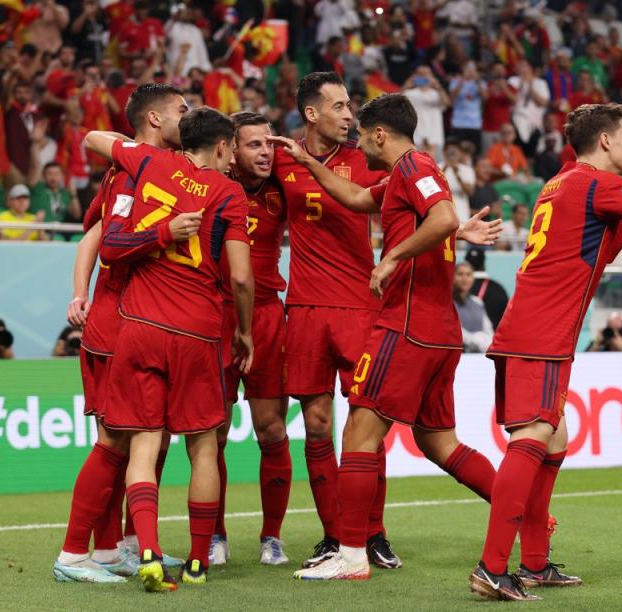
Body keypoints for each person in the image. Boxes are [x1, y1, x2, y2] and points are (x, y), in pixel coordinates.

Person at [274, 92, 501, 581]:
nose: (356, 138)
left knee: (359, 428)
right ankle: (525, 514)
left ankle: (352, 553)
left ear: (380, 134)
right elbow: (357, 199)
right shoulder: (405, 174)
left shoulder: (414, 165)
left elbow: (440, 218)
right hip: (440, 331)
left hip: (408, 325)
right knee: (439, 443)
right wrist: (309, 166)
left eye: (362, 133)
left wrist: (393, 257)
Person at [471, 103, 622, 601]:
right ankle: (491, 567)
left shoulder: (564, 183)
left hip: (533, 329)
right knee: (533, 438)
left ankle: (533, 563)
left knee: (554, 440)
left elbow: (605, 249)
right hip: (541, 334)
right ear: (606, 141)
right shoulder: (595, 184)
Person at [84, 106, 254, 592]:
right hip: (198, 333)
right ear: (223, 147)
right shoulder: (229, 193)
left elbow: (96, 138)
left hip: (139, 327)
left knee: (143, 442)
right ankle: (199, 561)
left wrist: (132, 144)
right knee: (202, 447)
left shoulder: (150, 164)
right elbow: (241, 277)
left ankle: (150, 550)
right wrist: (245, 332)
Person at [55, 83, 198, 584]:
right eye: (182, 110)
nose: (191, 116)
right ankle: (76, 553)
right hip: (119, 322)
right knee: (116, 440)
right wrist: (81, 293)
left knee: (149, 442)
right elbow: (102, 238)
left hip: (150, 319)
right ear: (155, 121)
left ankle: (121, 545)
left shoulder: (172, 172)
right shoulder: (130, 171)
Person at [271, 71, 394, 570]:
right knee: (316, 425)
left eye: (351, 106)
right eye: (340, 106)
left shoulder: (366, 159)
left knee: (366, 426)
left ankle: (374, 532)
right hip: (303, 309)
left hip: (361, 307)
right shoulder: (278, 157)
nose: (350, 115)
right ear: (311, 113)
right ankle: (333, 535)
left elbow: (409, 205)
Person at [213, 111, 292, 568]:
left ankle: (272, 537)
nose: (266, 152)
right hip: (216, 316)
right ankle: (215, 536)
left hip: (265, 317)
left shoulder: (284, 187)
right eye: (255, 145)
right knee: (214, 435)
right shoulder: (211, 187)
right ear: (231, 149)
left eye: (269, 144)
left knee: (272, 430)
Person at [454, 261, 494, 352]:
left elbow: (488, 329)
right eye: (460, 274)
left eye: (468, 275)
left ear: (473, 278)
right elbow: (455, 330)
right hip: (459, 354)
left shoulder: (478, 302)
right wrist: (476, 340)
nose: (464, 278)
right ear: (453, 277)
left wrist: (488, 344)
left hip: (479, 356)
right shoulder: (448, 303)